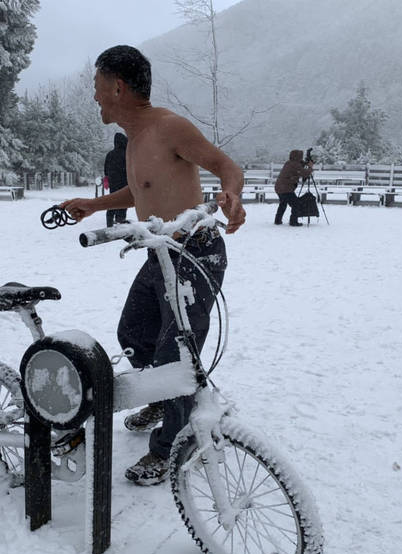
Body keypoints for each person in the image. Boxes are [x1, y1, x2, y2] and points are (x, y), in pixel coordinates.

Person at [60, 45, 245, 486]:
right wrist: (94, 204)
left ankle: (173, 445)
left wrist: (232, 196)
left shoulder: (168, 127)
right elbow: (140, 190)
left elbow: (226, 165)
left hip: (196, 251)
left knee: (175, 354)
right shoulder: (135, 138)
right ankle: (165, 400)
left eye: (97, 87)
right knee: (134, 333)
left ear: (118, 88)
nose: (95, 97)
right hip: (159, 252)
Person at [274, 149, 313, 226]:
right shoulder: (295, 165)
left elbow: (298, 167)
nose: (301, 158)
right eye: (301, 157)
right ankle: (293, 222)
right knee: (296, 204)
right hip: (286, 189)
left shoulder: (289, 163)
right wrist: (310, 167)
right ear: (298, 157)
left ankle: (278, 220)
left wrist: (304, 163)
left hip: (279, 187)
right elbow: (305, 173)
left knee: (283, 204)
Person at [104, 132, 129, 226]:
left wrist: (108, 178)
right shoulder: (127, 154)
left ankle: (109, 222)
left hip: (113, 183)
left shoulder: (110, 154)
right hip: (124, 182)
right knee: (123, 202)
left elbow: (106, 169)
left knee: (112, 201)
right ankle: (120, 221)